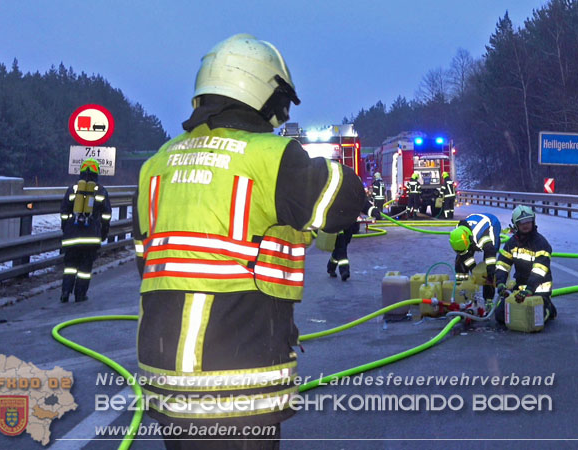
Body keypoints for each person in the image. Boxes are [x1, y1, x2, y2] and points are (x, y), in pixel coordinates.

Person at [131, 34, 364, 449]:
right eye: (281, 101)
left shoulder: (157, 164)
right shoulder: (269, 156)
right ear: (259, 90)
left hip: (164, 378)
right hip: (236, 385)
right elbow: (347, 201)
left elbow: (145, 263)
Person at [59, 158, 111, 303]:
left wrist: (66, 229)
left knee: (70, 266)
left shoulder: (72, 189)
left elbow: (63, 211)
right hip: (90, 238)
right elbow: (106, 215)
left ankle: (65, 291)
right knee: (84, 269)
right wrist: (103, 233)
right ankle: (80, 295)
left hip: (72, 236)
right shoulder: (101, 191)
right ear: (97, 173)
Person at [494, 205, 556, 324]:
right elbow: (502, 264)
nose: (526, 224)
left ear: (533, 221)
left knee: (534, 319)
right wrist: (500, 283)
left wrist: (530, 290)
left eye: (528, 221)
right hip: (520, 290)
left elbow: (539, 271)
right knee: (500, 316)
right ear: (516, 224)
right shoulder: (512, 243)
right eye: (522, 222)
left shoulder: (541, 244)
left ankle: (548, 308)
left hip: (539, 290)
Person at [448, 212, 502, 302]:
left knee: (488, 271)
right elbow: (464, 256)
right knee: (460, 261)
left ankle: (488, 299)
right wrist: (474, 271)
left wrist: (489, 273)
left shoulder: (482, 238)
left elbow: (491, 255)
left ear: (469, 240)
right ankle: (462, 291)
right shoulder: (458, 233)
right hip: (473, 229)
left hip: (492, 223)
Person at [328, 198, 382, 281]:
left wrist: (373, 211)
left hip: (349, 223)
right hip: (337, 222)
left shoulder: (352, 187)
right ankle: (344, 270)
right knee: (341, 246)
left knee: (342, 246)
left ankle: (331, 267)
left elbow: (361, 200)